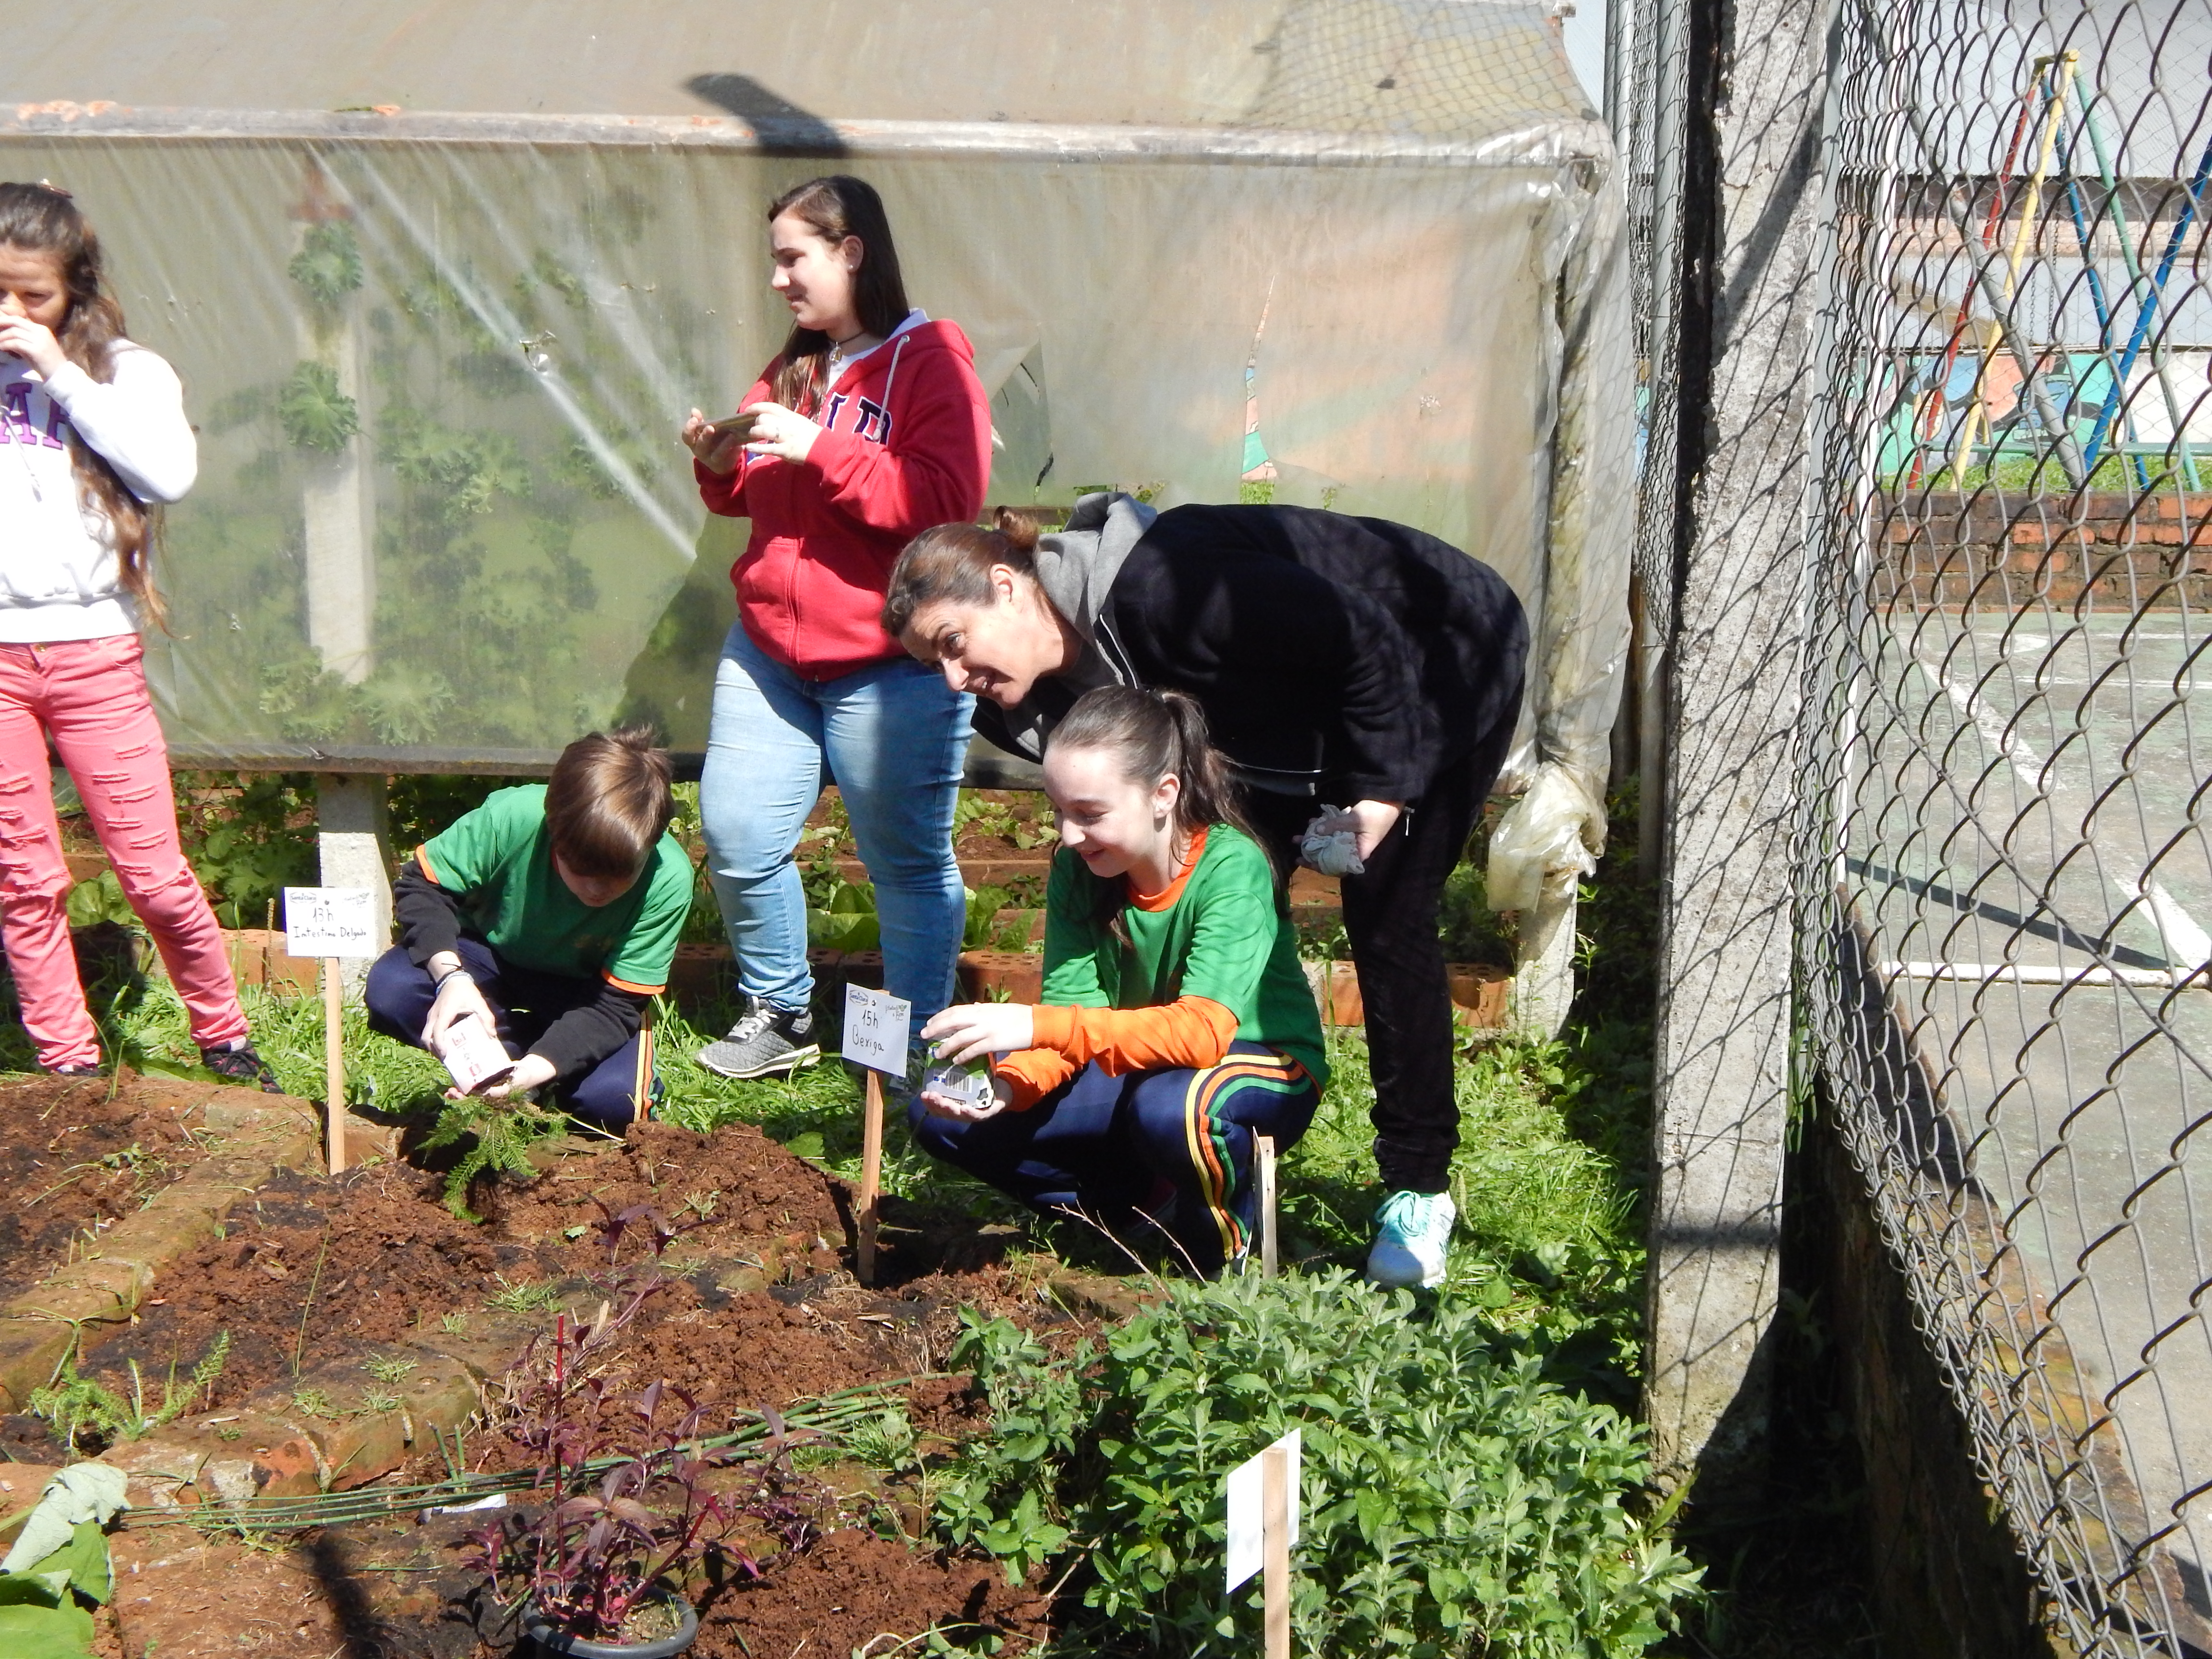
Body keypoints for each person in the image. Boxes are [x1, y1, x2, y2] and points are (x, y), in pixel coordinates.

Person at [883, 495, 1528, 1289]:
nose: (953, 681)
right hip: (1278, 730)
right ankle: (1172, 1147)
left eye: (954, 644)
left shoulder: (1166, 587)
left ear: (1008, 586)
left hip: (1435, 658)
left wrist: (1380, 791)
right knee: (1222, 878)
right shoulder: (1015, 699)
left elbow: (1366, 638)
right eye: (932, 665)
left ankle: (1415, 1186)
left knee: (1386, 916)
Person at [679, 175, 990, 1081]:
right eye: (773, 261)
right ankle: (780, 1012)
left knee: (902, 864)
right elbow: (760, 499)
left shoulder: (932, 357)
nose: (778, 279)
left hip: (886, 668)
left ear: (851, 252)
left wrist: (822, 446)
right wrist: (720, 463)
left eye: (792, 258)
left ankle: (912, 1050)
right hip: (770, 655)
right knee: (736, 837)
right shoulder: (797, 363)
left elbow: (943, 503)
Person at [0, 180, 278, 1088]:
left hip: (93, 653)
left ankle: (225, 1039)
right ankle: (68, 1064)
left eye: (30, 294)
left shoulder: (126, 370)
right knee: (26, 879)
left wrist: (59, 372)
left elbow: (168, 473)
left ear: (74, 287)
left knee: (153, 872)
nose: (10, 313)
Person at [912, 685, 1324, 1277]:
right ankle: (1138, 1213)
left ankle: (1223, 1264)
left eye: (1090, 814)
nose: (1070, 833)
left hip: (1260, 1063)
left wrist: (1028, 1025)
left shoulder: (1233, 867)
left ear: (1164, 795)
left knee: (1174, 1109)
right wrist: (1009, 1088)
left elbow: (1201, 1034)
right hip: (1142, 1065)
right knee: (942, 1118)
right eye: (1058, 810)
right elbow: (1074, 1007)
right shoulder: (1076, 869)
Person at [364, 729, 691, 1128]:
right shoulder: (513, 817)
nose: (596, 889)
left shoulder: (668, 878)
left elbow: (616, 1005)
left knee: (615, 1104)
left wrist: (532, 1073)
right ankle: (507, 1055)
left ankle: (542, 1065)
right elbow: (422, 885)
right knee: (394, 989)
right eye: (580, 869)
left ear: (651, 845)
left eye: (621, 875)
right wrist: (451, 978)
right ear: (554, 831)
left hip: (587, 993)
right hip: (489, 959)